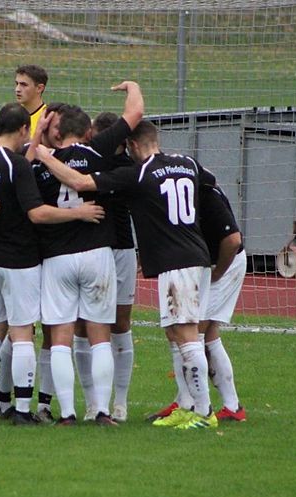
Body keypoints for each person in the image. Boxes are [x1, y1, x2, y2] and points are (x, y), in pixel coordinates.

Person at [35, 120, 218, 430]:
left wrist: (43, 154)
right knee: (176, 333)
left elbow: (79, 182)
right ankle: (188, 406)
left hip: (176, 260)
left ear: (132, 145)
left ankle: (204, 412)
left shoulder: (139, 173)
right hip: (194, 253)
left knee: (187, 336)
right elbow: (211, 185)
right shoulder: (187, 163)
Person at [0, 102, 105, 425]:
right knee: (23, 332)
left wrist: (36, 137)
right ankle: (24, 410)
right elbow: (37, 213)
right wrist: (78, 213)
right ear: (22, 130)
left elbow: (10, 176)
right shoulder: (17, 164)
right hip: (16, 259)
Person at [26, 83, 143, 426]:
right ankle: (103, 411)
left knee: (61, 339)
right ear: (87, 131)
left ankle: (67, 413)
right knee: (100, 337)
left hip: (57, 257)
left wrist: (38, 141)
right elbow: (135, 112)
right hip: (97, 254)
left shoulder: (39, 165)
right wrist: (132, 86)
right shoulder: (99, 154)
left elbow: (28, 194)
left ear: (56, 131)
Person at [148, 180, 248, 424]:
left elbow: (233, 240)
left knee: (193, 332)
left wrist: (218, 272)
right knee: (195, 332)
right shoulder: (182, 186)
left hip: (225, 263)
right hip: (203, 264)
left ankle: (192, 404)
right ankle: (228, 406)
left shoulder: (206, 192)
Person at [73, 111, 137, 422]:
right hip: (89, 249)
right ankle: (92, 403)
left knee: (119, 324)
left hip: (121, 250)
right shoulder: (86, 160)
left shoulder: (129, 168)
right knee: (82, 325)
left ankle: (120, 403)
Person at [14, 64, 48, 137]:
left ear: (39, 88)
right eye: (17, 84)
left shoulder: (47, 119)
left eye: (24, 85)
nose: (17, 89)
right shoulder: (12, 116)